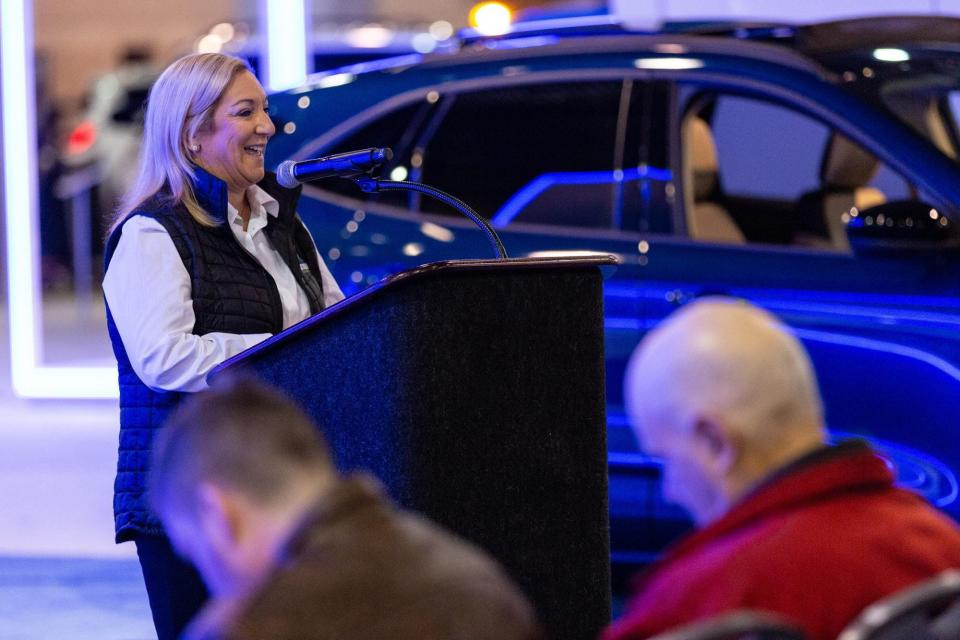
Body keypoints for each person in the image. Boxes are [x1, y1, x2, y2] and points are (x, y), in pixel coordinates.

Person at [102, 53, 343, 640]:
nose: (267, 125)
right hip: (190, 498)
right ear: (191, 135)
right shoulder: (151, 233)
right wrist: (289, 351)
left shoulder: (283, 224)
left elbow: (340, 323)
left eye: (264, 110)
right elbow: (165, 358)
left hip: (280, 490)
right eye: (246, 112)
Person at [604, 297, 960, 640]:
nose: (670, 490)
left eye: (666, 459)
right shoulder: (940, 544)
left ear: (715, 441)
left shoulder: (701, 603)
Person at [148, 374, 541, 640]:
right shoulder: (481, 582)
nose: (214, 586)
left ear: (218, 515)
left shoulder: (250, 627)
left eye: (196, 552)